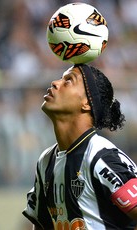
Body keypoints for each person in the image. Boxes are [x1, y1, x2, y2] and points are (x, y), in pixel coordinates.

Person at [22, 64, 137, 229]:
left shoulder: (101, 157)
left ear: (86, 103)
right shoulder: (45, 161)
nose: (55, 83)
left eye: (68, 81)